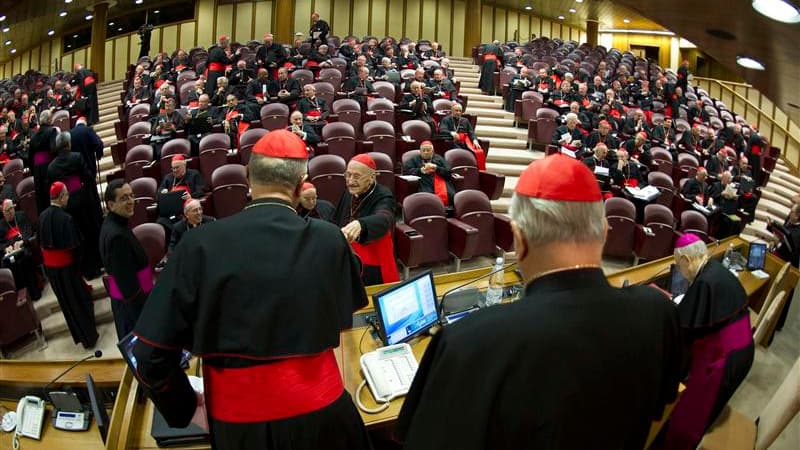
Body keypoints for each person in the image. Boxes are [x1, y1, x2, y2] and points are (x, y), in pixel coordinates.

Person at [396, 154, 684, 449]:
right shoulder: (658, 312)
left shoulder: (468, 343)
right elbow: (662, 408)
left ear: (518, 240)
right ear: (605, 232)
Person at [131, 130, 371, 450]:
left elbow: (149, 354)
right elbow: (346, 318)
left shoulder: (198, 244)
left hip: (239, 425)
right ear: (301, 185)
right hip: (324, 415)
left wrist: (186, 408)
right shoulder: (330, 239)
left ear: (247, 176)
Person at [664, 233, 754, 450]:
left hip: (723, 360)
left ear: (685, 260)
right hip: (743, 349)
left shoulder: (704, 282)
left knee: (694, 409)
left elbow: (684, 333)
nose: (681, 273)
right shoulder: (716, 270)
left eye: (679, 266)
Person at [39, 182, 98, 348]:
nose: (68, 198)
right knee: (79, 302)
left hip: (52, 271)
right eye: (66, 195)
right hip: (68, 269)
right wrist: (79, 268)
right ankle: (89, 337)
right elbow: (77, 248)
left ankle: (79, 335)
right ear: (61, 196)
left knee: (67, 304)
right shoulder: (66, 218)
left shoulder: (42, 216)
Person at [333, 153, 399, 285]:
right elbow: (338, 218)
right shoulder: (348, 192)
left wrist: (361, 224)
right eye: (348, 175)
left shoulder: (383, 195)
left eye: (357, 176)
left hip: (373, 258)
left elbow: (385, 217)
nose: (350, 181)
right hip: (349, 254)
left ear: (372, 177)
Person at [99, 179, 153, 339]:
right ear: (110, 205)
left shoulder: (113, 224)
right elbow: (129, 288)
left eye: (131, 196)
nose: (131, 202)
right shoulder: (117, 237)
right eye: (124, 198)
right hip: (134, 306)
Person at [47, 132, 103, 278]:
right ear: (68, 144)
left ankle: (87, 270)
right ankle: (100, 264)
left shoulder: (52, 167)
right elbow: (88, 177)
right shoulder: (76, 157)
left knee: (78, 238)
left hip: (66, 205)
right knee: (91, 231)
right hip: (83, 200)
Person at [0, 199, 41, 300]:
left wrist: (23, 241)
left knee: (24, 260)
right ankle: (22, 295)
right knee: (11, 264)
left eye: (11, 209)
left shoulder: (21, 215)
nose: (9, 212)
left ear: (14, 208)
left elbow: (28, 230)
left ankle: (34, 293)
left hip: (25, 248)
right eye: (6, 211)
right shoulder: (1, 224)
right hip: (11, 254)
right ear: (2, 212)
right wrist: (6, 248)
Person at [403, 140, 459, 206]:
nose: (426, 152)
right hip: (425, 182)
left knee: (451, 195)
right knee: (427, 196)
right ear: (420, 151)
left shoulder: (439, 159)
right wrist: (420, 170)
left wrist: (436, 168)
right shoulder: (414, 160)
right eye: (423, 150)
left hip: (441, 182)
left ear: (432, 151)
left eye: (428, 150)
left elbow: (449, 173)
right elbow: (406, 171)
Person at [28, 109, 58, 213]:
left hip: (37, 171)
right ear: (49, 120)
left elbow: (30, 157)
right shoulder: (52, 131)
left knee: (41, 199)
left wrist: (35, 171)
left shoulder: (33, 137)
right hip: (49, 167)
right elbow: (54, 150)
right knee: (52, 195)